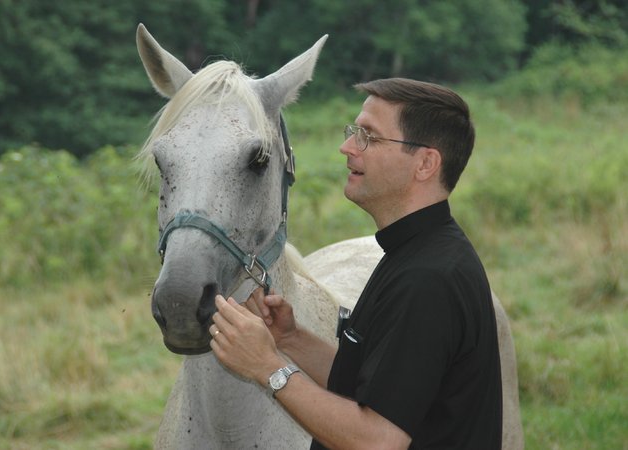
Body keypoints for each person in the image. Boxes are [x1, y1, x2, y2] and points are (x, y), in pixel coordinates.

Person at [208, 78, 502, 449]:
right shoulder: (416, 252)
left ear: (426, 164)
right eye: (354, 132)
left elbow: (378, 440)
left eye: (369, 137)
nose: (347, 147)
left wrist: (268, 367)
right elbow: (379, 386)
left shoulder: (428, 280)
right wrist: (289, 339)